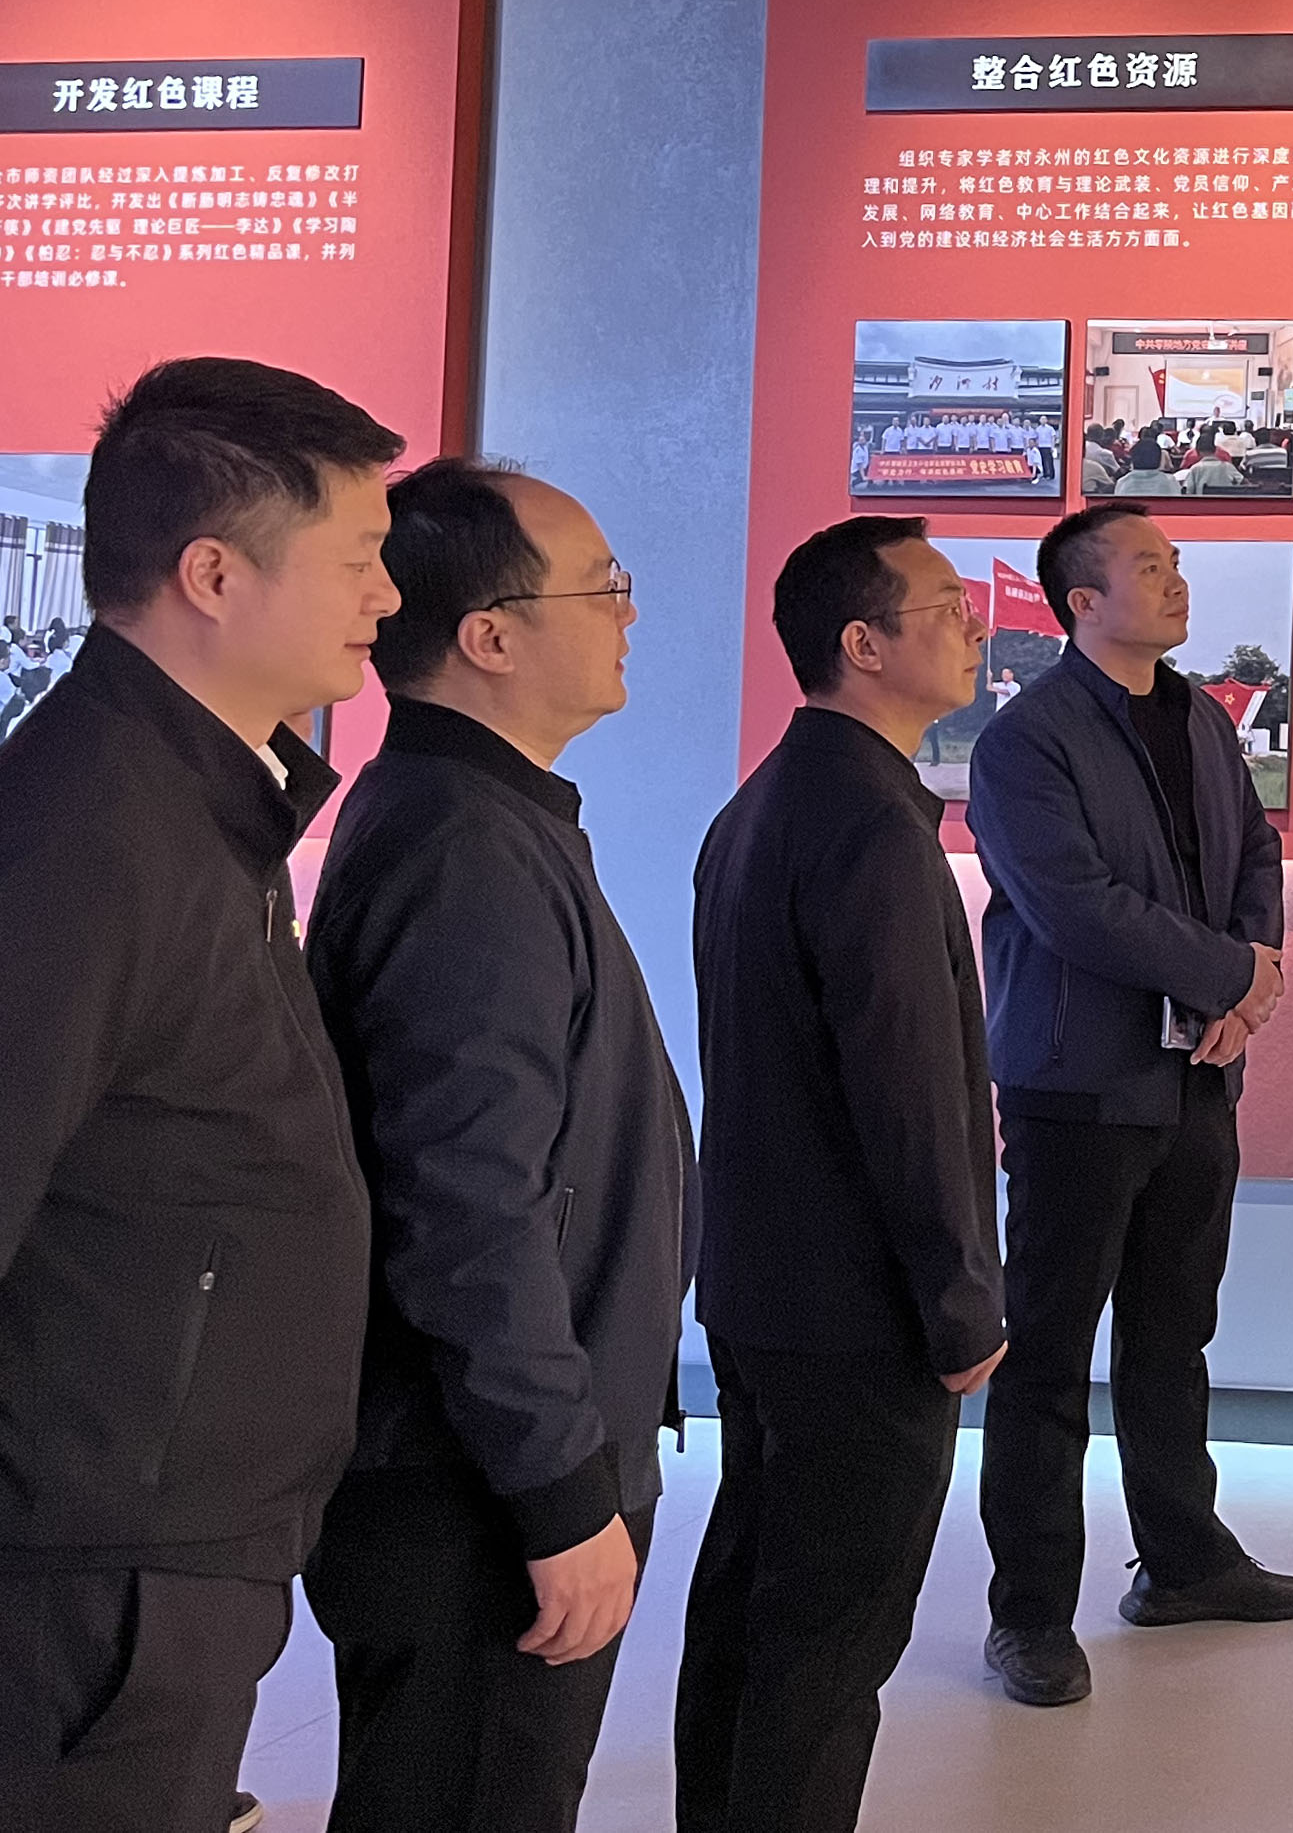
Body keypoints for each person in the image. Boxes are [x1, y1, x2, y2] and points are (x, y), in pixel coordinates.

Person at [0, 357, 404, 1830]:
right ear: (215, 575)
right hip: (92, 1556)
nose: (387, 597)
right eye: (358, 558)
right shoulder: (91, 826)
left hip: (165, 1529)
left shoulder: (192, 796)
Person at [301, 461, 695, 1833]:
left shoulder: (484, 815)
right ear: (489, 636)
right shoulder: (464, 844)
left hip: (485, 1467)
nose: (629, 615)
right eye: (604, 588)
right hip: (471, 1490)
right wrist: (558, 1491)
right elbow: (470, 1209)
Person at [673, 520, 1006, 1833]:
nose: (973, 623)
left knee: (753, 1607)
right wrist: (962, 1303)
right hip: (858, 1308)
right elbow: (909, 1094)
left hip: (762, 1285)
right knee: (829, 1641)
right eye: (944, 604)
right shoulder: (871, 824)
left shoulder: (763, 802)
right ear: (862, 644)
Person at [968, 505, 1293, 1710]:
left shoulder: (1203, 719)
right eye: (1149, 567)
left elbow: (1254, 858)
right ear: (1081, 602)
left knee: (1174, 1333)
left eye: (1175, 565)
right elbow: (1075, 903)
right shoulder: (1026, 741)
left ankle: (1183, 1561)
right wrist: (1227, 976)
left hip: (1199, 1074)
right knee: (1048, 1352)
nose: (1175, 582)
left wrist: (1247, 982)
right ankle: (1028, 1613)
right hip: (1079, 1080)